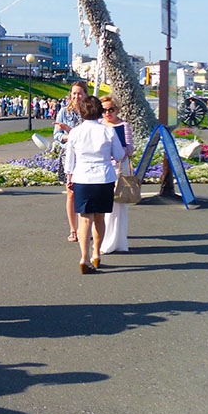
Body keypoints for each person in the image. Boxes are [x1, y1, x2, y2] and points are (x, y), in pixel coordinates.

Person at [65, 96, 126, 274]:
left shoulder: (75, 132)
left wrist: (69, 177)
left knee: (84, 219)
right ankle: (96, 255)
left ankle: (83, 257)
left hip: (82, 176)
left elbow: (70, 159)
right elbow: (119, 154)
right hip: (103, 176)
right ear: (100, 111)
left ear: (81, 112)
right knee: (100, 218)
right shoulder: (108, 131)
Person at [53, 81, 88, 242]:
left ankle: (85, 227)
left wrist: (70, 132)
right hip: (69, 156)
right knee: (71, 192)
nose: (76, 96)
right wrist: (71, 136)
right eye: (74, 93)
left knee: (86, 192)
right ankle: (73, 229)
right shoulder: (63, 112)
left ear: (85, 95)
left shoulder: (90, 111)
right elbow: (57, 136)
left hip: (86, 156)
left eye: (80, 93)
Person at [99, 95, 134, 254]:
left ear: (117, 110)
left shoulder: (123, 126)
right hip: (104, 168)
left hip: (120, 167)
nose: (108, 113)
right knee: (104, 206)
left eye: (111, 110)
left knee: (119, 205)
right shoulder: (99, 125)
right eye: (104, 110)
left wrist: (118, 153)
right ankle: (104, 240)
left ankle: (118, 241)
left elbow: (129, 148)